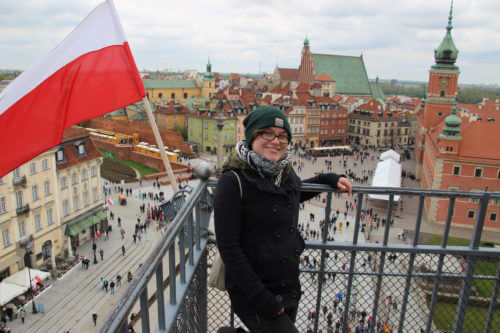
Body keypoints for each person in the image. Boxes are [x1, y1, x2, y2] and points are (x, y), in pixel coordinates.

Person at [214, 106, 352, 332]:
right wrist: (262, 298)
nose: (276, 141)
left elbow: (293, 194)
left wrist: (328, 178)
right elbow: (229, 248)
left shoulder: (284, 172)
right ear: (252, 137)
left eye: (282, 136)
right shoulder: (232, 181)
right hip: (255, 290)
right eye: (267, 133)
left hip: (287, 284)